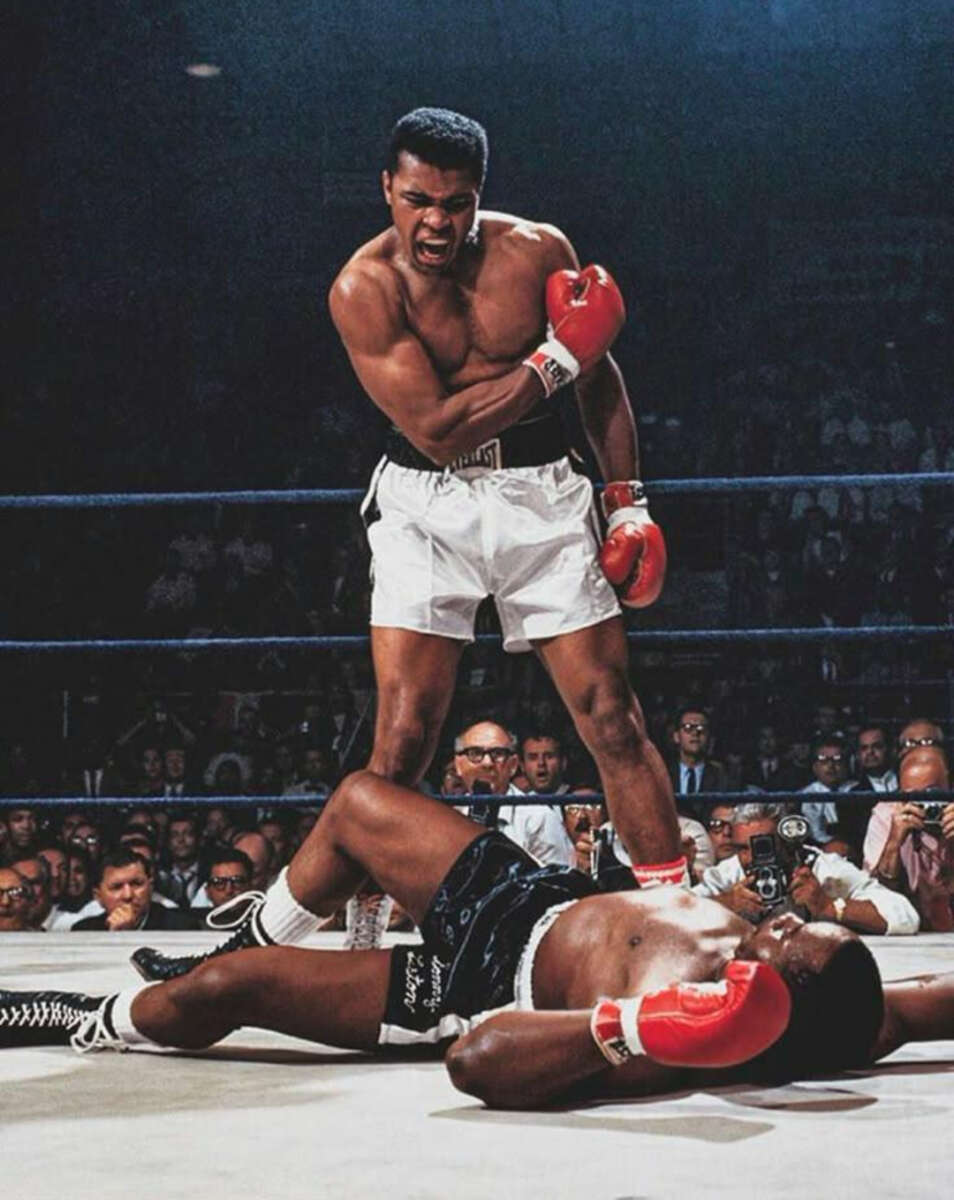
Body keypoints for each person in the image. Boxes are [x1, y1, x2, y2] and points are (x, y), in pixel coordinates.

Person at [4, 764, 953, 1112]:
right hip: (528, 889)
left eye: (785, 940)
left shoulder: (691, 1046)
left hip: (483, 982)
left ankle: (97, 1016)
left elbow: (478, 1059)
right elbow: (937, 1002)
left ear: (779, 996)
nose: (783, 918)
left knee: (226, 994)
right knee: (360, 803)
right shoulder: (861, 1007)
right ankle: (248, 923)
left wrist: (645, 1025)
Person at [326, 106, 681, 889]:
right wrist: (557, 357)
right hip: (426, 504)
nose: (435, 222)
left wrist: (626, 500)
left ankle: (676, 913)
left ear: (479, 195)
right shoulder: (364, 288)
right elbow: (440, 431)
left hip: (541, 491)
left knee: (611, 715)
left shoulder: (537, 251)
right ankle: (360, 938)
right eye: (418, 200)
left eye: (455, 204)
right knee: (404, 738)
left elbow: (600, 377)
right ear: (388, 188)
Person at [692, 802, 918, 935]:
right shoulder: (729, 873)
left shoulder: (824, 869)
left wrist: (829, 906)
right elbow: (674, 911)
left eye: (764, 847)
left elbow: (905, 915)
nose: (752, 858)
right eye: (743, 848)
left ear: (787, 843)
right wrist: (725, 904)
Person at [863, 719, 954, 931]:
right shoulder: (886, 813)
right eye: (914, 798)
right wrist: (894, 842)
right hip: (912, 931)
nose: (925, 807)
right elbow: (879, 897)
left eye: (933, 794)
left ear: (949, 785)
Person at [71, 850, 198, 932]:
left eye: (136, 884)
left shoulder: (182, 928)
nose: (128, 895)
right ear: (98, 896)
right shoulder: (84, 931)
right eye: (117, 887)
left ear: (151, 886)